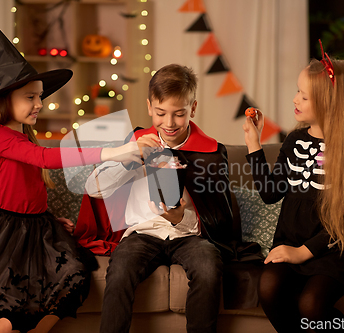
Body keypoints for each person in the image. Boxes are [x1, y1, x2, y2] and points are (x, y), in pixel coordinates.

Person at [0, 5, 140, 333]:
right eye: (30, 97)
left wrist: (45, 214)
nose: (39, 104)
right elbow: (46, 160)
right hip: (5, 232)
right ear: (5, 100)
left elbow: (29, 182)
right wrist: (117, 150)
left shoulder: (23, 134)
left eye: (40, 97)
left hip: (37, 226)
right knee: (11, 300)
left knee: (75, 277)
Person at [75, 64, 235, 333]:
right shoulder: (135, 142)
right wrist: (127, 159)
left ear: (192, 109)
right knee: (120, 270)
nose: (169, 123)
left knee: (208, 267)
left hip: (189, 237)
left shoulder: (211, 152)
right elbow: (94, 189)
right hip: (142, 234)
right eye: (161, 113)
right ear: (150, 107)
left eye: (179, 114)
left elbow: (220, 214)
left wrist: (180, 217)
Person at [242, 42, 344, 332]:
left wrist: (303, 252)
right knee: (268, 286)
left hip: (336, 249)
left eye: (304, 96)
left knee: (311, 304)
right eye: (298, 91)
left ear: (329, 103)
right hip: (294, 242)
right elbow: (270, 194)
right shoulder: (294, 142)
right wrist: (253, 144)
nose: (295, 99)